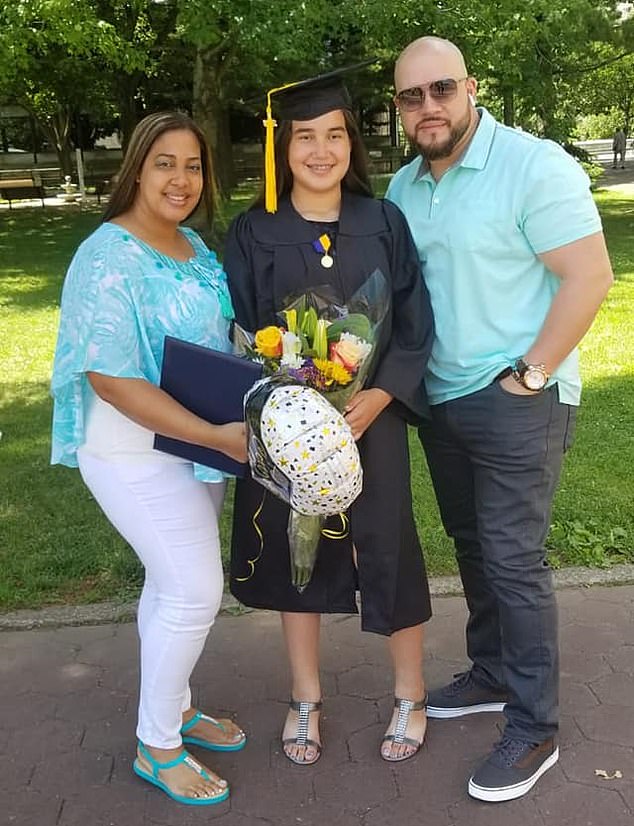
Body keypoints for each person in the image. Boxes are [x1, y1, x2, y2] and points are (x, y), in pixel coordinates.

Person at [387, 36, 614, 802]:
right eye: (411, 97)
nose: (428, 107)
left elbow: (590, 274)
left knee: (514, 561)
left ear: (470, 88)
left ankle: (535, 726)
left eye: (440, 89)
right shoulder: (404, 188)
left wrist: (532, 373)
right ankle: (489, 672)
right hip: (443, 401)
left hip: (519, 396)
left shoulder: (533, 164)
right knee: (474, 548)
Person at [223, 67, 434, 765]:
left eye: (334, 135)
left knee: (390, 549)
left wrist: (379, 395)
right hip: (289, 431)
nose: (321, 150)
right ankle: (305, 697)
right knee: (295, 551)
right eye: (305, 137)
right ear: (282, 147)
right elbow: (242, 327)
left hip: (374, 421)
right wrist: (287, 407)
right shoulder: (254, 230)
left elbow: (412, 321)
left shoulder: (384, 221)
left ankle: (411, 692)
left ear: (353, 144)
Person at [50, 112, 248, 806]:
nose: (181, 179)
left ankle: (176, 705)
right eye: (165, 163)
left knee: (168, 588)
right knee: (195, 590)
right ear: (136, 167)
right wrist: (219, 435)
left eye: (193, 166)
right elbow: (112, 378)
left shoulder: (193, 244)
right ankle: (157, 746)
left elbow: (219, 336)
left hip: (198, 445)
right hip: (134, 449)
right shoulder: (107, 255)